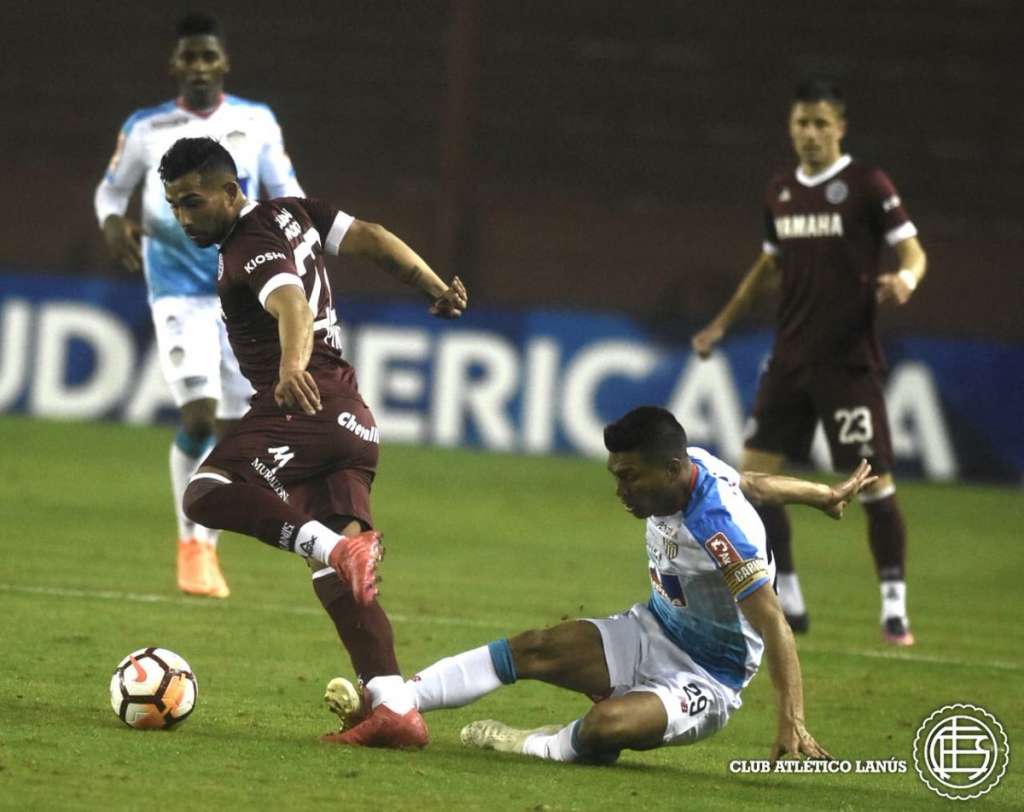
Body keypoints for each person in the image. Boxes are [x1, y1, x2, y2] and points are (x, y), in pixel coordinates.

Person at [323, 406, 876, 761]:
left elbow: (774, 623)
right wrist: (819, 494)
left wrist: (790, 720)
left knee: (604, 727)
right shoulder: (698, 465)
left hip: (708, 676)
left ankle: (529, 743)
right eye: (616, 475)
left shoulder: (721, 531)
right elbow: (751, 480)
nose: (621, 490)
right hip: (653, 629)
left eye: (629, 477)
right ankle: (394, 704)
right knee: (533, 647)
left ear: (670, 470)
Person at [158, 135, 468, 747]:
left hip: (305, 403)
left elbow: (291, 304)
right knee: (339, 577)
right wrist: (434, 286)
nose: (183, 218)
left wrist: (291, 369)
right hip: (351, 417)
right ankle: (393, 706)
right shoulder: (297, 211)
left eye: (193, 202)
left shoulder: (249, 241)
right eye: (174, 205)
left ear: (230, 190)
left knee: (206, 493)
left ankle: (335, 550)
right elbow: (375, 237)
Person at [691, 77, 927, 645]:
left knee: (874, 485)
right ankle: (789, 594)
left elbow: (913, 250)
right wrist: (721, 323)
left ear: (840, 128)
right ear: (791, 127)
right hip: (789, 361)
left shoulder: (868, 185)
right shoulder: (780, 192)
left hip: (848, 364)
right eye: (802, 123)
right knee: (753, 480)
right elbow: (767, 268)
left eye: (822, 123)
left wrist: (907, 280)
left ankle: (894, 605)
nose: (811, 134)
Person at [94, 13, 304, 598]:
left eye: (208, 56)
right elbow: (111, 191)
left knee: (238, 427)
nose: (200, 67)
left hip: (241, 286)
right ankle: (191, 543)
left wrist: (298, 247)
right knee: (197, 414)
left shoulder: (256, 121)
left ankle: (207, 544)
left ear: (224, 63)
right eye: (189, 57)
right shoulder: (146, 127)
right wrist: (112, 222)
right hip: (176, 290)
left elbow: (286, 188)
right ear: (176, 65)